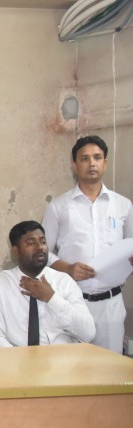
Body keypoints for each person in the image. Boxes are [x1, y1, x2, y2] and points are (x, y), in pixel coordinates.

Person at [42, 135, 132, 354]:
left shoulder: (123, 205)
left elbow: (130, 246)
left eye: (97, 157)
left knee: (110, 368)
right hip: (71, 301)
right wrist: (68, 269)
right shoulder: (58, 206)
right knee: (70, 367)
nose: (92, 163)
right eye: (84, 158)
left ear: (105, 163)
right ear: (74, 165)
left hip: (110, 303)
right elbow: (42, 252)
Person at [0, 221, 95, 347]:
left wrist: (52, 298)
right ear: (15, 251)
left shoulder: (64, 281)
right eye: (31, 243)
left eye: (43, 242)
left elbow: (88, 333)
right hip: (18, 356)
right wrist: (19, 359)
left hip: (62, 355)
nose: (40, 247)